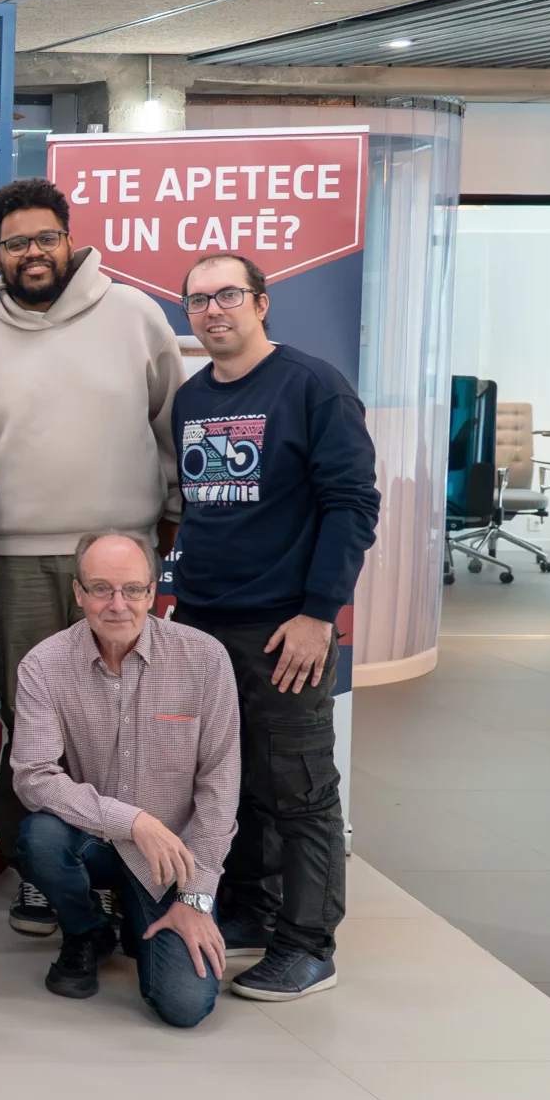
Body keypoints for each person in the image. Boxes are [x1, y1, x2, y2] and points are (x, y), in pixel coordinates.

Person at [0, 178, 182, 937]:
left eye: (45, 237)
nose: (33, 253)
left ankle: (123, 865)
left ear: (69, 237)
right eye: (16, 243)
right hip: (13, 560)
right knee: (32, 724)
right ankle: (39, 872)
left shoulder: (136, 317)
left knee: (126, 722)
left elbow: (174, 425)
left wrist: (170, 521)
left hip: (119, 559)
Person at [170, 252, 379, 1001]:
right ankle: (253, 915)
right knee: (233, 780)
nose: (212, 310)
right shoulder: (191, 398)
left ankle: (309, 943)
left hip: (283, 626)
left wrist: (318, 614)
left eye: (227, 295)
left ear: (261, 302)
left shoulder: (313, 385)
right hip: (202, 625)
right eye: (196, 300)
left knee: (297, 788)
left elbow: (353, 505)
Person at [11, 533, 238, 1028]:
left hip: (171, 860)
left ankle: (142, 925)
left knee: (184, 1005)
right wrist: (131, 821)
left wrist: (195, 897)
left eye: (133, 590)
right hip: (90, 841)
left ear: (153, 591)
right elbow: (33, 776)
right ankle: (86, 930)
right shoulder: (44, 665)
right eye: (101, 589)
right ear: (77, 593)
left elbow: (221, 787)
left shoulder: (205, 659)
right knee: (40, 837)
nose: (118, 605)